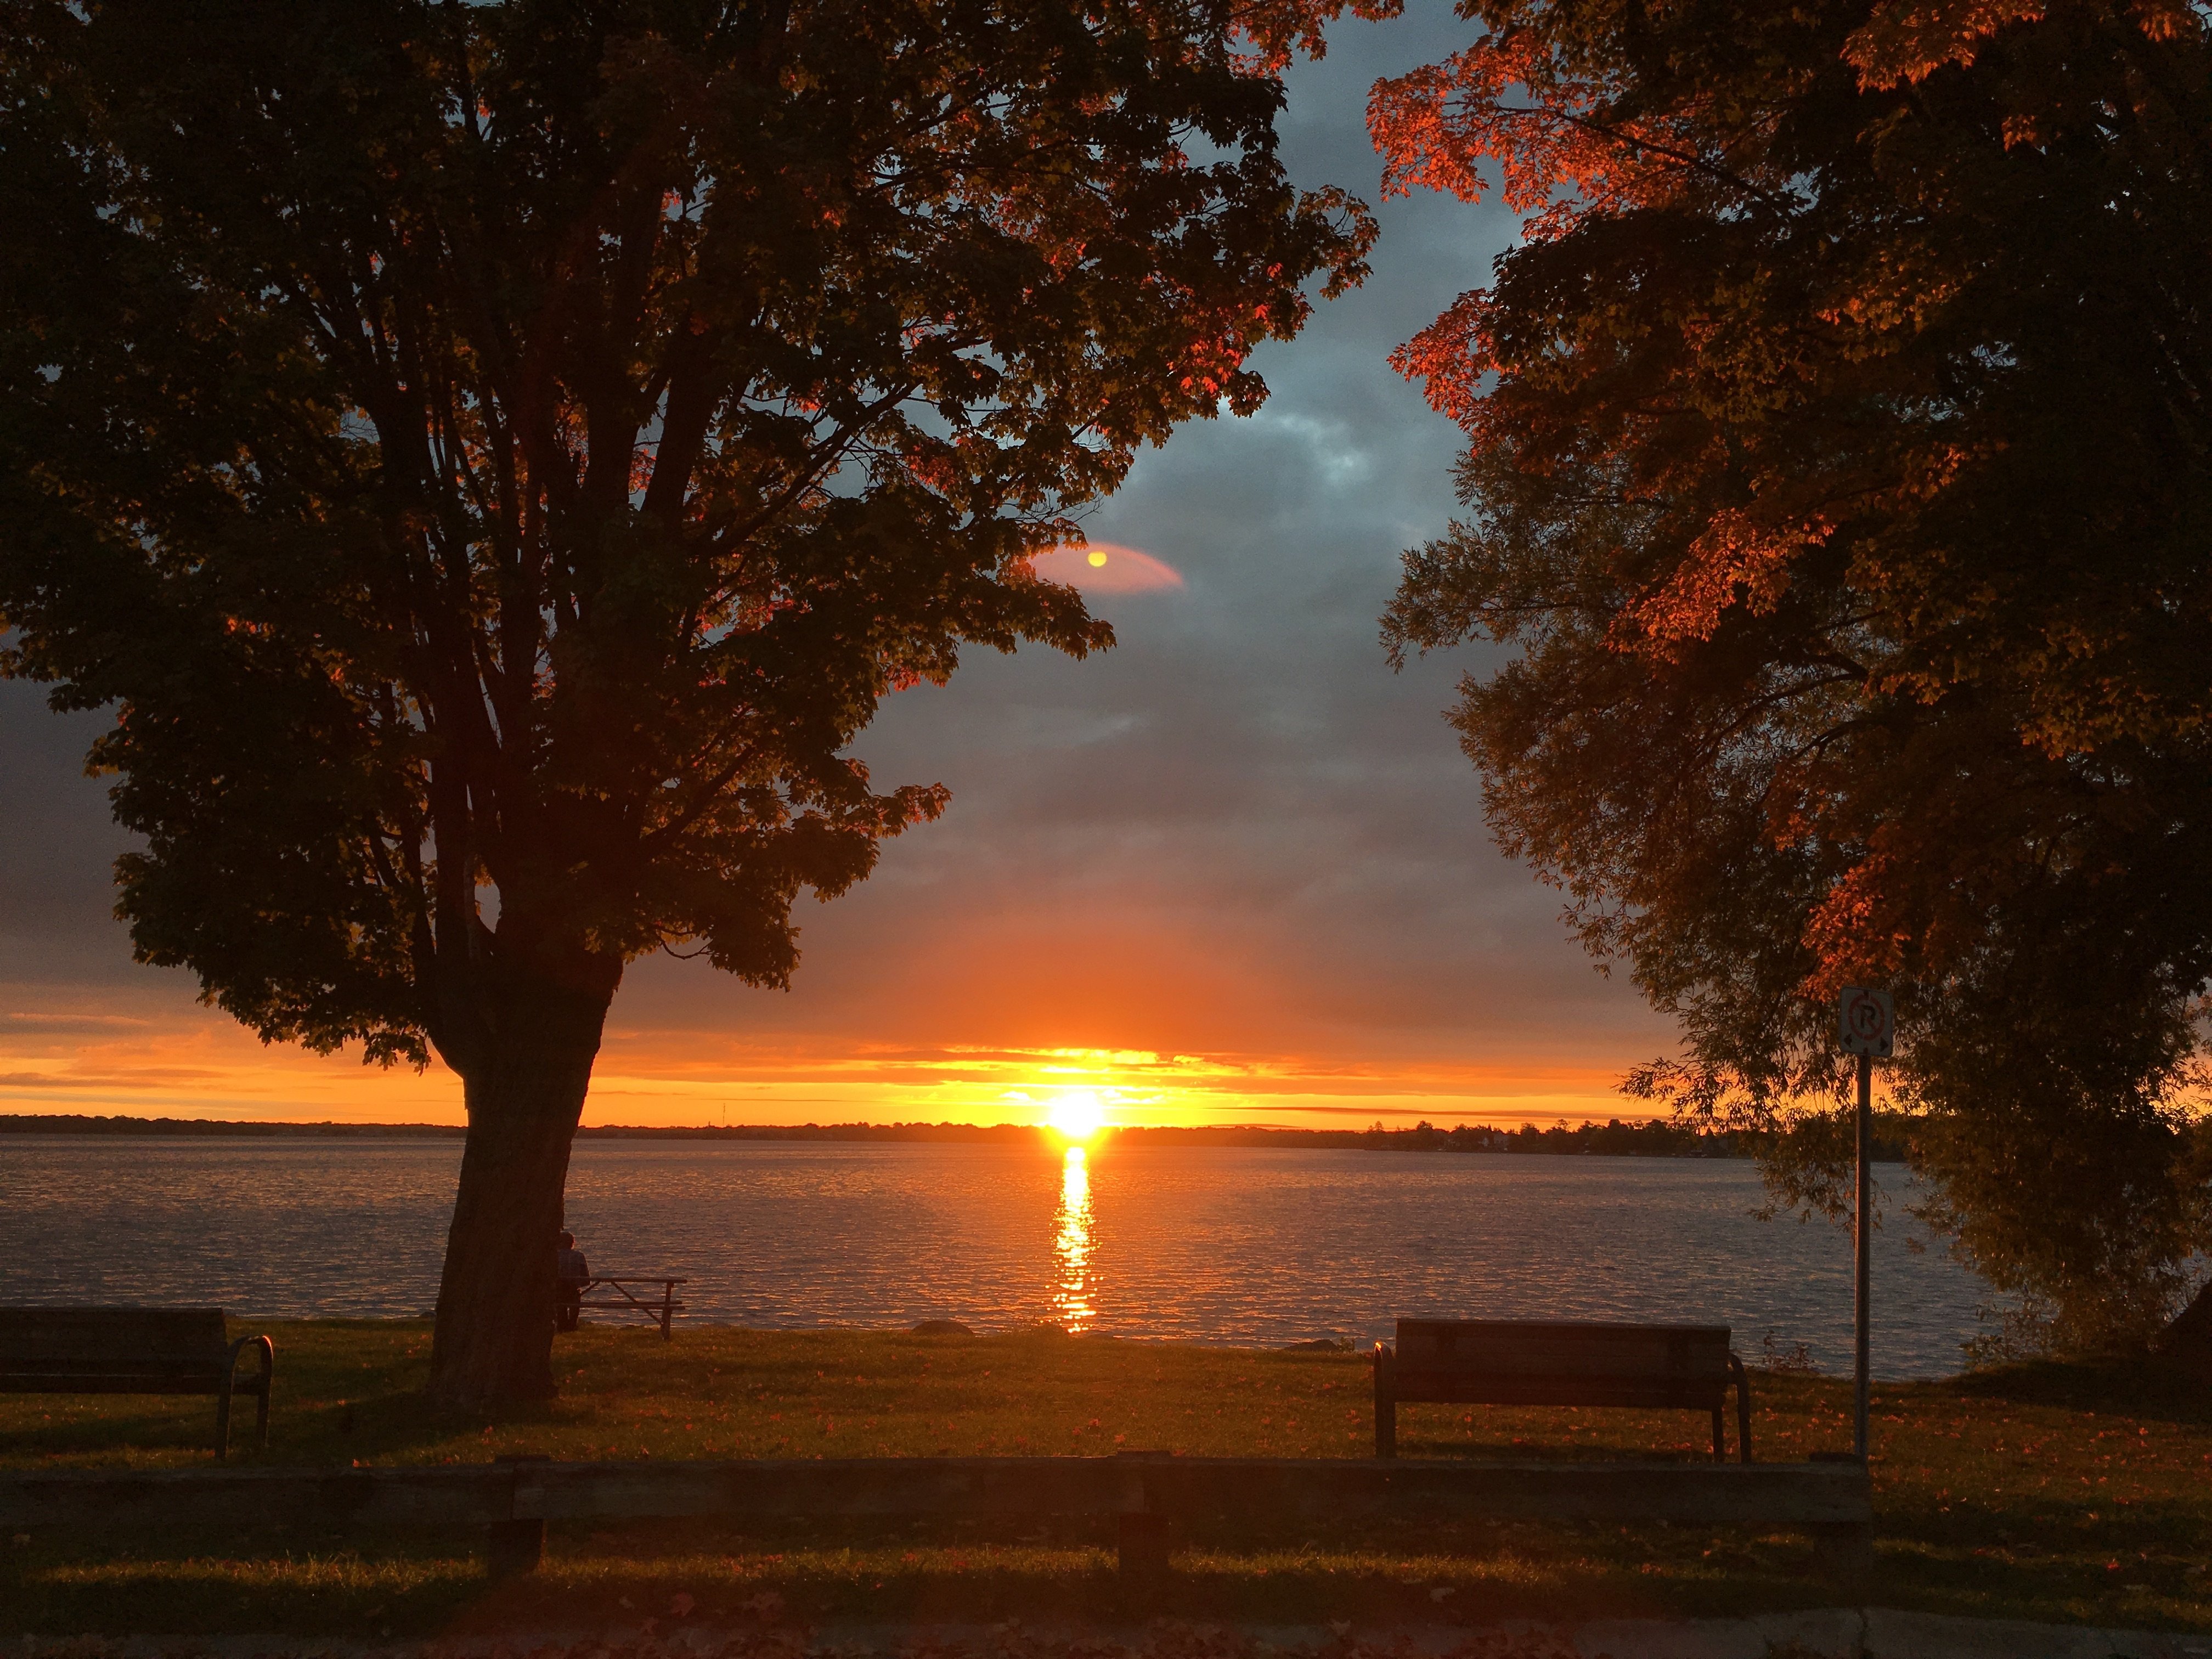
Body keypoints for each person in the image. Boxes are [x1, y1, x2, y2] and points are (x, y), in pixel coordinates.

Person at [555, 1231, 589, 1332]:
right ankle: (572, 1326)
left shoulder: (555, 1256)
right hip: (573, 1290)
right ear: (572, 1243)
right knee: (574, 1303)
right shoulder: (579, 1256)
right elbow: (586, 1278)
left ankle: (562, 1327)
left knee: (560, 1307)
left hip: (559, 1290)